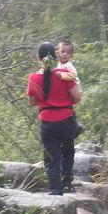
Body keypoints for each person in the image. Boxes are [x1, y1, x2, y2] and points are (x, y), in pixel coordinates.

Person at [27, 42, 82, 195]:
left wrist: (46, 101)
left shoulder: (33, 78)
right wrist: (63, 100)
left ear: (38, 58)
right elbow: (77, 98)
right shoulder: (64, 75)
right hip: (67, 119)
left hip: (47, 122)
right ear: (55, 55)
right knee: (68, 152)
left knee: (52, 157)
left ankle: (56, 189)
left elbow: (32, 103)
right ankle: (67, 182)